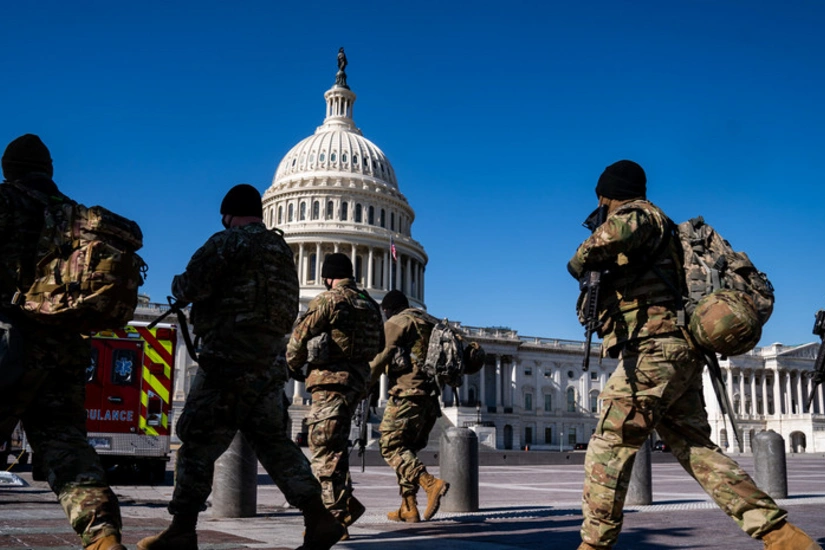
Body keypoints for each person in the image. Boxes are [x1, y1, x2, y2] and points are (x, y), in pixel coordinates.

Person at [567, 160, 820, 550]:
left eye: (602, 198)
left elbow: (605, 241)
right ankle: (783, 537)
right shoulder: (661, 229)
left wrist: (582, 256)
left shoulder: (639, 215)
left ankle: (594, 545)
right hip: (679, 352)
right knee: (698, 450)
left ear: (608, 194)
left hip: (655, 350)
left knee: (609, 443)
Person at [137, 184, 343, 550]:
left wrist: (179, 285)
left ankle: (182, 529)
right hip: (268, 363)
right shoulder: (281, 249)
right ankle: (319, 517)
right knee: (275, 443)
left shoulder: (226, 242)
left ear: (228, 214)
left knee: (198, 440)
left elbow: (191, 286)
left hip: (228, 359)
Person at [0, 134, 126, 550]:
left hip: (7, 344)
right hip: (63, 348)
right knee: (66, 449)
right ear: (49, 171)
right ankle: (103, 538)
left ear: (8, 169)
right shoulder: (77, 215)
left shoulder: (4, 203)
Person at [286, 253, 384, 538]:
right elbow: (378, 344)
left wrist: (293, 365)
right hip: (357, 383)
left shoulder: (329, 300)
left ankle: (335, 519)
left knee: (324, 450)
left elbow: (298, 338)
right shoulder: (369, 303)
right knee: (336, 445)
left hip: (330, 382)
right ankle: (346, 504)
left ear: (328, 276)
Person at [368, 290, 469, 523]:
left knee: (390, 446)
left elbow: (380, 358)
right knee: (407, 451)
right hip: (430, 400)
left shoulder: (397, 322)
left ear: (388, 309)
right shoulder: (433, 323)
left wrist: (362, 387)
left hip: (407, 395)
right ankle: (408, 507)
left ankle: (429, 483)